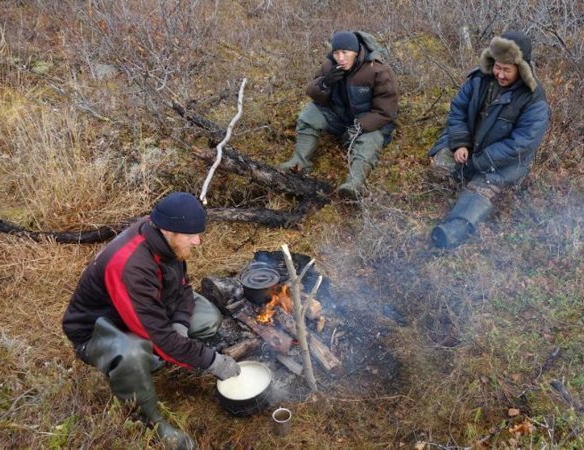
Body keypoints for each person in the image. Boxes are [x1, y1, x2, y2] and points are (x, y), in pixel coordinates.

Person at [62, 192, 240, 450]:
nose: (198, 241)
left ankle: (156, 358)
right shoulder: (130, 265)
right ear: (168, 230)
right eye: (191, 235)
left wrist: (179, 323)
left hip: (143, 312)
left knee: (205, 317)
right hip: (98, 331)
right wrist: (213, 362)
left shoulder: (164, 239)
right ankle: (151, 424)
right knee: (132, 354)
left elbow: (183, 287)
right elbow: (159, 337)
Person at [428, 30, 549, 249]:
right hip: (470, 147)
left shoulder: (533, 100)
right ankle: (461, 176)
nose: (500, 74)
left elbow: (520, 145)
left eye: (507, 70)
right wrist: (460, 143)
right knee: (439, 167)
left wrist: (477, 163)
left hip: (502, 163)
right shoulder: (479, 79)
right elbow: (458, 110)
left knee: (480, 191)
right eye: (497, 67)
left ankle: (452, 231)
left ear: (521, 69)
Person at [278, 30, 399, 199]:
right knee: (309, 114)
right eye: (336, 53)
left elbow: (386, 111)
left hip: (369, 122)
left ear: (356, 52)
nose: (340, 58)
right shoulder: (329, 66)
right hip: (340, 117)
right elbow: (312, 92)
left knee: (370, 141)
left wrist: (360, 127)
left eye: (345, 52)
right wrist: (325, 83)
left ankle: (354, 183)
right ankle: (299, 162)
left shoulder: (377, 70)